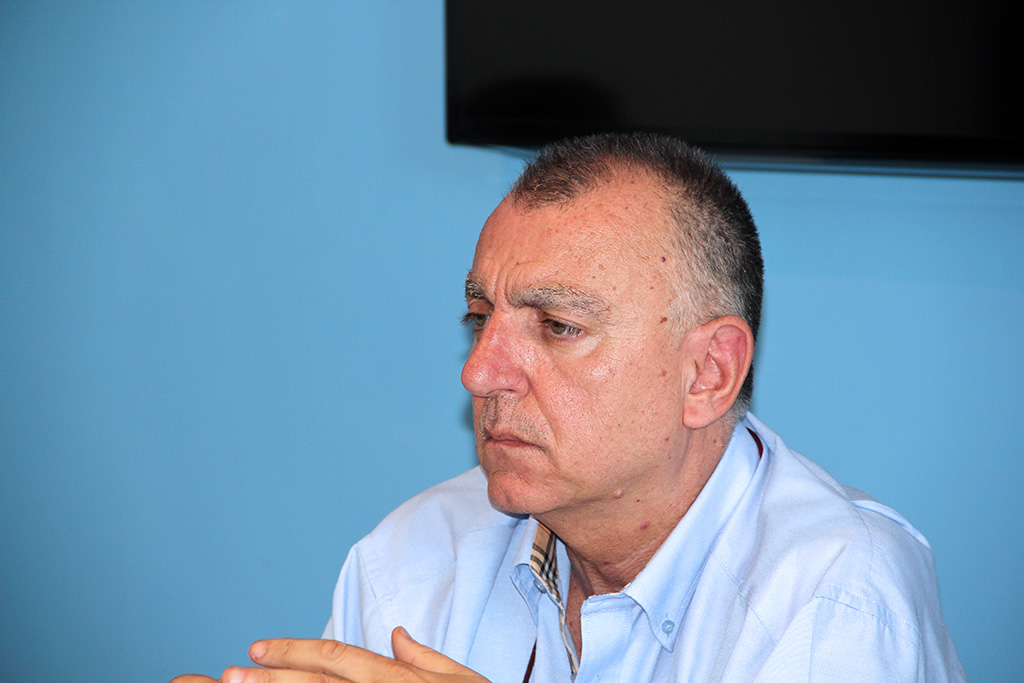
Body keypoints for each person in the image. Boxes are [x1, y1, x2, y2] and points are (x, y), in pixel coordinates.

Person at [174, 133, 966, 682]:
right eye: (479, 318)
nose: (479, 372)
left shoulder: (834, 598)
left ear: (708, 373)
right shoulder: (412, 560)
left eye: (557, 326)